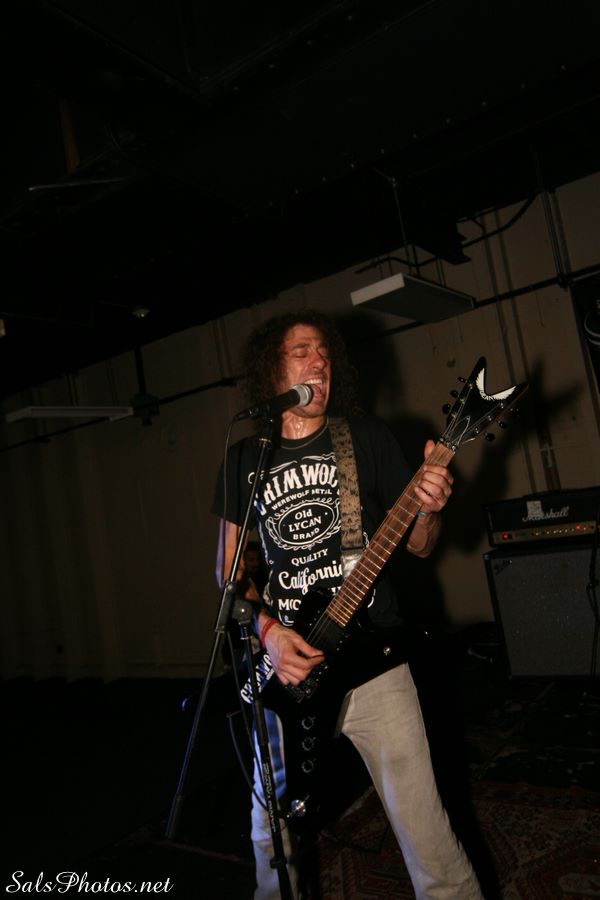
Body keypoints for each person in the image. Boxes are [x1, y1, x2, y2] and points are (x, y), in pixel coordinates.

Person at [213, 309, 483, 900]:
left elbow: (419, 545)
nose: (320, 362)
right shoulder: (244, 460)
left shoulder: (364, 438)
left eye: (325, 354)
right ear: (271, 372)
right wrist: (269, 634)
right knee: (271, 836)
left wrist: (428, 511)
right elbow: (228, 573)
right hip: (288, 665)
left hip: (374, 660)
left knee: (427, 831)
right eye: (302, 352)